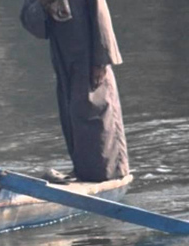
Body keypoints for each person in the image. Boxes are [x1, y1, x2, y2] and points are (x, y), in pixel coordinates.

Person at [20, 0, 130, 183]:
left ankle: (110, 173)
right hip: (64, 58)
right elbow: (35, 24)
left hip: (89, 57)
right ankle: (84, 171)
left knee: (97, 111)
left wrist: (101, 61)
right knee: (72, 113)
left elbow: (100, 16)